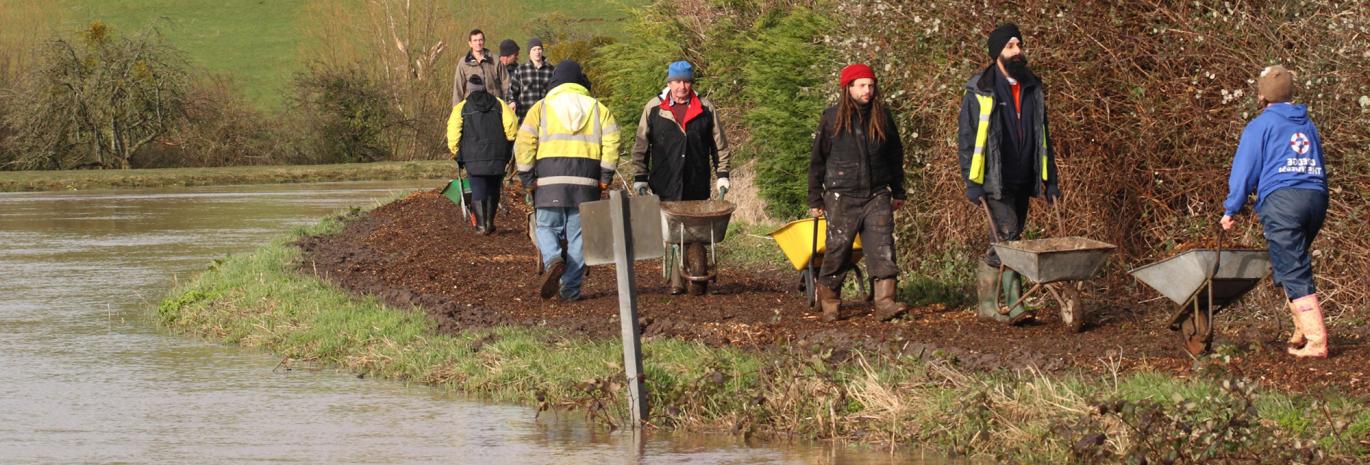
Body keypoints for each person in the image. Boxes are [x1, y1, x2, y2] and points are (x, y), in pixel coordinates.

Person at [1220, 65, 1330, 359]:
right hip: (1316, 198)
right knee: (1287, 260)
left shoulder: (1261, 125)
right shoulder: (1307, 124)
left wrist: (1231, 208)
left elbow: (1245, 171)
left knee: (1292, 266)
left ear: (1261, 96)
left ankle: (1317, 341)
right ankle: (1301, 331)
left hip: (1283, 202)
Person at [956, 23, 1060, 325]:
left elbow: (1043, 136)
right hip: (993, 179)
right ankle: (1005, 306)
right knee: (1009, 239)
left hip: (1023, 175)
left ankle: (1000, 305)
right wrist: (972, 182)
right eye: (1011, 46)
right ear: (997, 53)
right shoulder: (980, 89)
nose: (1018, 51)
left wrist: (1049, 179)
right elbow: (967, 138)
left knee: (1009, 241)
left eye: (1019, 45)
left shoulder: (1032, 86)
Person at [807, 64, 909, 323]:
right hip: (842, 196)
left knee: (883, 248)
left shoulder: (883, 117)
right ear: (848, 88)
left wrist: (898, 190)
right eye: (862, 85)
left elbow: (895, 156)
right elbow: (817, 161)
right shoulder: (831, 118)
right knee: (838, 250)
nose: (868, 90)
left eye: (871, 85)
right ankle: (830, 300)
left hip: (877, 195)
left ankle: (885, 302)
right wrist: (815, 198)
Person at [514, 60, 620, 302]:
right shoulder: (598, 108)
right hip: (586, 184)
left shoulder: (540, 108)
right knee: (579, 238)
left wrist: (527, 177)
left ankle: (553, 259)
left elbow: (524, 143)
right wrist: (605, 177)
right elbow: (613, 141)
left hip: (548, 182)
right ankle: (570, 290)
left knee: (546, 227)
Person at [628, 61, 732, 294]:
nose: (681, 87)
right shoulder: (654, 108)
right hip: (665, 180)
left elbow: (719, 145)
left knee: (693, 231)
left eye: (686, 81)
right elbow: (641, 145)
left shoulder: (705, 108)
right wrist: (640, 176)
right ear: (669, 83)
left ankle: (690, 271)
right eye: (677, 82)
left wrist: (723, 174)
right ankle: (677, 278)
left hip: (696, 178)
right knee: (674, 231)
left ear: (691, 83)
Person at [448, 75, 517, 235]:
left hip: (473, 156)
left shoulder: (461, 108)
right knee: (494, 187)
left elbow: (453, 132)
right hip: (498, 154)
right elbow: (512, 128)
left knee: (478, 186)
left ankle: (481, 226)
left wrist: (455, 151)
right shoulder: (499, 104)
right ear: (484, 87)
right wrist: (507, 146)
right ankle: (489, 223)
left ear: (468, 90)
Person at [452, 29, 508, 104]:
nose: (478, 43)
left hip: (494, 106)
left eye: (480, 40)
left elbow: (506, 83)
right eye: (475, 40)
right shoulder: (463, 63)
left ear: (484, 41)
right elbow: (458, 88)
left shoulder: (495, 60)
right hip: (472, 108)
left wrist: (509, 102)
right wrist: (456, 110)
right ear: (470, 43)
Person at [509, 37, 555, 123]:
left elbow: (555, 92)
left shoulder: (551, 70)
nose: (537, 52)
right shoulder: (521, 69)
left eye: (539, 49)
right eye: (534, 49)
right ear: (529, 52)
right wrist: (512, 102)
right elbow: (512, 91)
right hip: (525, 115)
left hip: (545, 116)